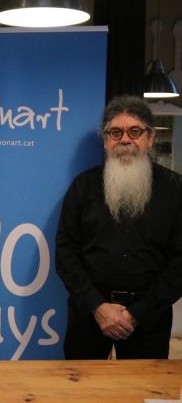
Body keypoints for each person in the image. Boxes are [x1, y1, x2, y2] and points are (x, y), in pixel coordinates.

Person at [56, 95, 182, 359]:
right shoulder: (83, 187)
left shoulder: (175, 189)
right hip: (88, 314)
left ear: (150, 138)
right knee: (81, 396)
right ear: (105, 141)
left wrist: (137, 314)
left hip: (150, 317)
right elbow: (65, 254)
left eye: (135, 131)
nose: (125, 139)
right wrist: (98, 307)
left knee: (145, 397)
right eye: (116, 132)